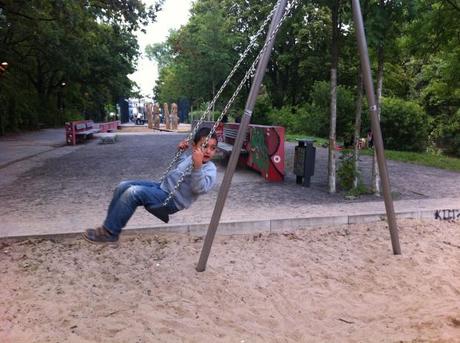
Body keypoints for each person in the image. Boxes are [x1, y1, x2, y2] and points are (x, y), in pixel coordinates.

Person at [83, 127, 218, 244]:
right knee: (123, 185)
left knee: (133, 192)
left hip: (171, 200)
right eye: (204, 146)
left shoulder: (209, 169)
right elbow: (181, 165)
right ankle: (108, 226)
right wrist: (181, 151)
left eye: (212, 148)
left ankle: (110, 233)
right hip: (162, 187)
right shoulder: (192, 157)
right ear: (194, 146)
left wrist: (198, 167)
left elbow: (199, 188)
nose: (208, 151)